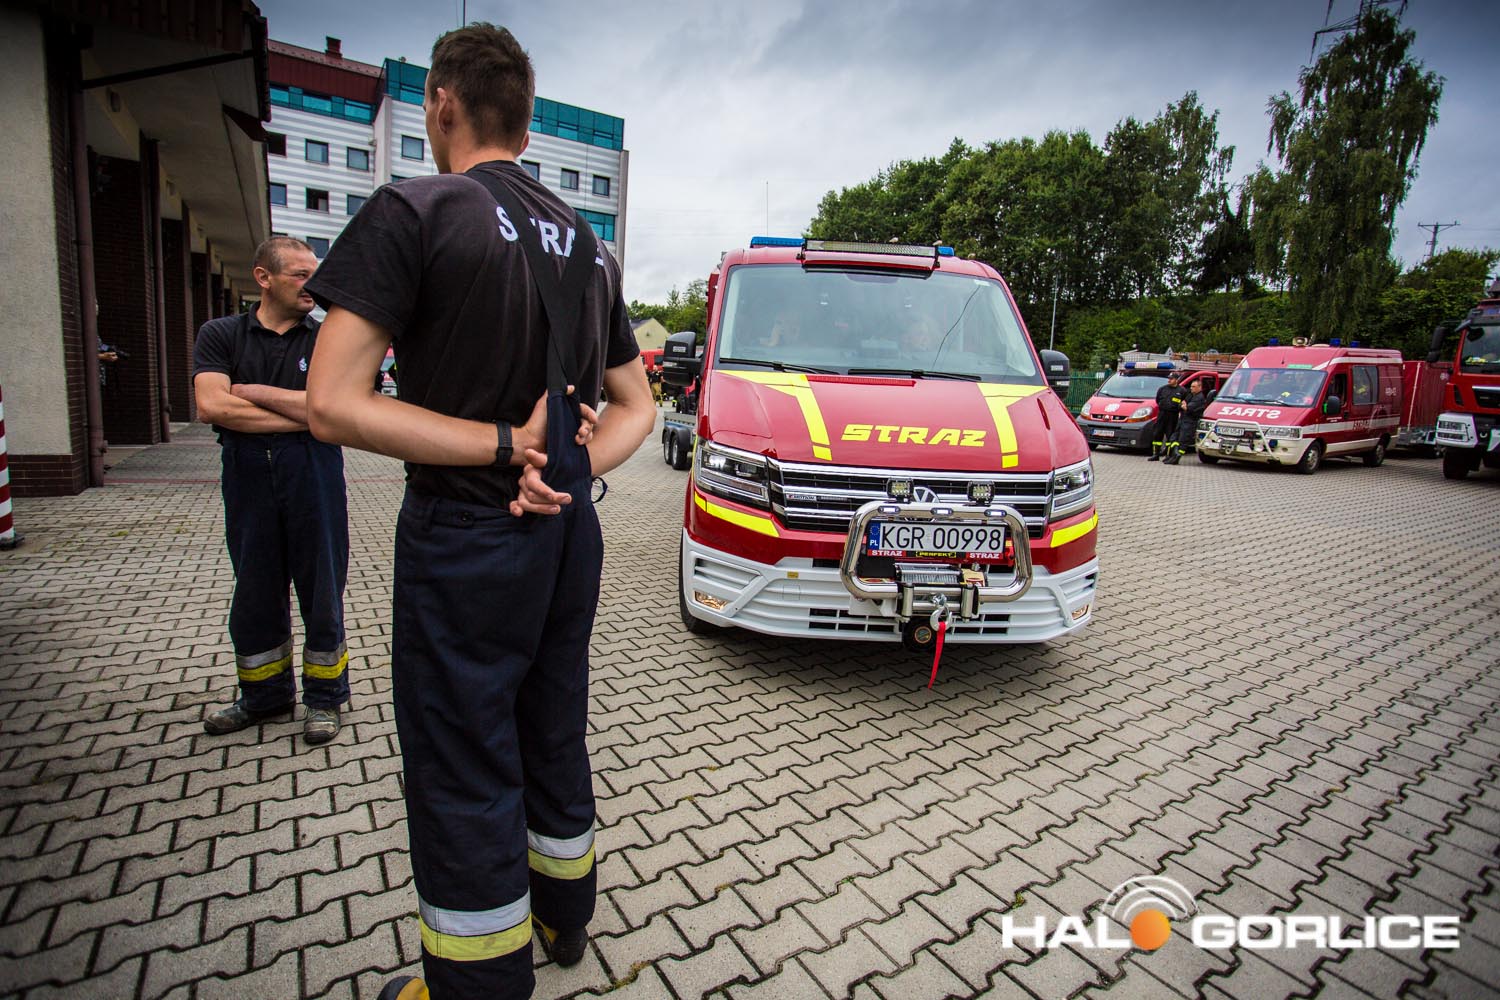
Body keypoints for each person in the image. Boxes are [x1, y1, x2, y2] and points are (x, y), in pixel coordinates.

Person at [301, 23, 655, 1000]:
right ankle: (565, 915)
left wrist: (510, 448)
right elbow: (638, 406)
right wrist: (565, 466)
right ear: (528, 126)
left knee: (464, 759)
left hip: (467, 538)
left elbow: (332, 403)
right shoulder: (589, 245)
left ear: (442, 104)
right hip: (566, 536)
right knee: (552, 720)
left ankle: (478, 984)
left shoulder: (414, 210)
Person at [192, 237, 350, 745]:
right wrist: (305, 412)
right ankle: (263, 697)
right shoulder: (221, 334)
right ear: (264, 277)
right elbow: (212, 407)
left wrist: (252, 394)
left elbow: (339, 411)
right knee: (255, 588)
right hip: (246, 473)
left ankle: (325, 699)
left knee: (321, 588)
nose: (312, 285)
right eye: (300, 275)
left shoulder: (325, 339)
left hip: (313, 471)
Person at [1164, 377, 1209, 464]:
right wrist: (1183, 405)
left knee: (1182, 442)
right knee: (1173, 438)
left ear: (1200, 387)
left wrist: (1185, 406)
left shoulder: (1200, 398)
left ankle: (1176, 458)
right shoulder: (1190, 395)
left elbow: (1189, 408)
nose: (1191, 388)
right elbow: (1181, 404)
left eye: (1194, 387)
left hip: (1190, 422)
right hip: (1183, 420)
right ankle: (1172, 456)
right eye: (1191, 386)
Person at [1150, 372, 1184, 461]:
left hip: (1173, 416)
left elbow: (1183, 402)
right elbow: (1158, 400)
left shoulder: (1182, 391)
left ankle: (1168, 455)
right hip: (1162, 414)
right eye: (1169, 378)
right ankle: (1156, 454)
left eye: (1171, 379)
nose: (1169, 380)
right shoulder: (1162, 389)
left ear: (1176, 380)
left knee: (1170, 435)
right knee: (1157, 434)